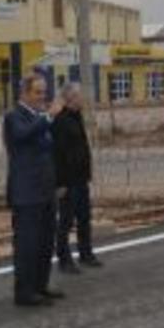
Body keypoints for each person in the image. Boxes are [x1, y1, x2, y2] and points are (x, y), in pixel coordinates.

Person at [3, 74, 65, 307]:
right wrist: (49, 116)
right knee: (27, 245)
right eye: (38, 92)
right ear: (25, 94)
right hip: (27, 194)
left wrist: (57, 184)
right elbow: (23, 135)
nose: (43, 96)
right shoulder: (14, 117)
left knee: (45, 242)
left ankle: (41, 285)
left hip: (45, 191)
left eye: (44, 92)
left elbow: (47, 153)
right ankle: (24, 292)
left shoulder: (39, 118)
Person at [53, 83, 103, 274]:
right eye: (80, 96)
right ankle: (64, 260)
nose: (83, 99)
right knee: (65, 222)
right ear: (70, 98)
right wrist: (60, 183)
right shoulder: (60, 120)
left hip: (81, 179)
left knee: (84, 218)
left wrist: (88, 173)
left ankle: (86, 253)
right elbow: (57, 155)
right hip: (68, 181)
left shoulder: (77, 116)